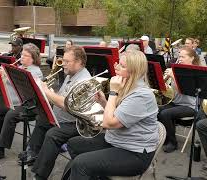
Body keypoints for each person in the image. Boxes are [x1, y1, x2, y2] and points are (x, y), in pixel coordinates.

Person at [65, 50, 158, 179]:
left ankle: (86, 172)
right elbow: (118, 113)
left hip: (134, 153)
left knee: (81, 163)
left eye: (123, 66)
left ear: (134, 72)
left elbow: (109, 123)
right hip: (117, 141)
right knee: (73, 144)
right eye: (118, 63)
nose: (117, 67)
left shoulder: (141, 95)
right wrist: (104, 102)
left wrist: (113, 93)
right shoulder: (126, 86)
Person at [31, 46, 91, 180]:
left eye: (66, 61)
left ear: (79, 62)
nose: (63, 64)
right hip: (63, 118)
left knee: (53, 135)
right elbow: (61, 96)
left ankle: (40, 175)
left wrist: (46, 91)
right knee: (42, 118)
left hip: (76, 123)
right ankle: (33, 153)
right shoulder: (72, 74)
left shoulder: (83, 80)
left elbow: (67, 104)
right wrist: (49, 93)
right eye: (63, 60)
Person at [0, 43, 43, 159]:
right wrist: (1, 76)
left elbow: (28, 92)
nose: (22, 57)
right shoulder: (19, 67)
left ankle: (1, 148)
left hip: (28, 104)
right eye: (22, 54)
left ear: (33, 58)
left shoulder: (36, 72)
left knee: (10, 115)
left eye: (26, 55)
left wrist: (9, 76)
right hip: (15, 101)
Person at [158, 47, 201, 153]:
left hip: (190, 106)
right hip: (175, 102)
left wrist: (173, 77)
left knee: (165, 114)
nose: (180, 58)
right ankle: (164, 137)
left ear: (191, 58)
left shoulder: (193, 73)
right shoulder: (177, 69)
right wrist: (164, 79)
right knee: (156, 109)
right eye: (179, 56)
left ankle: (172, 142)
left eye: (183, 56)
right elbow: (167, 88)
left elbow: (183, 91)